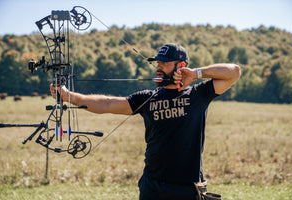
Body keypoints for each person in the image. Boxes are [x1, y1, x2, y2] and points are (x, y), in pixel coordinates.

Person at [50, 43, 241, 200]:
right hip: (153, 186)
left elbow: (234, 72)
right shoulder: (147, 98)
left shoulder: (199, 94)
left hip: (186, 188)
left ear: (180, 66)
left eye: (164, 63)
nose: (158, 67)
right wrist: (69, 96)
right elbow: (107, 104)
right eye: (158, 62)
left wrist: (195, 74)